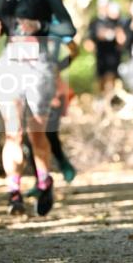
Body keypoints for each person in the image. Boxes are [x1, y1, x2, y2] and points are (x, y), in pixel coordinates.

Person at [0, 0, 76, 216]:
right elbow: (3, 25)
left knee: (36, 131)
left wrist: (40, 25)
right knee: (12, 131)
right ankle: (13, 193)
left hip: (39, 64)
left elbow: (68, 27)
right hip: (10, 63)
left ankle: (44, 181)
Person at [25, 33, 79, 193]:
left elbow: (75, 51)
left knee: (50, 133)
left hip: (55, 94)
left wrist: (66, 39)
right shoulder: (23, 40)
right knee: (30, 140)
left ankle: (64, 163)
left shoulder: (54, 36)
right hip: (30, 93)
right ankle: (39, 180)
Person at [84, 0, 124, 96]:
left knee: (111, 76)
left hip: (114, 54)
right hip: (101, 54)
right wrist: (90, 45)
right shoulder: (95, 22)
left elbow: (122, 38)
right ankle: (102, 98)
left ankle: (110, 99)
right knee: (101, 77)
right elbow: (89, 38)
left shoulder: (116, 21)